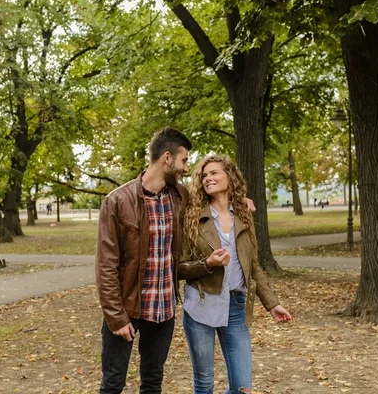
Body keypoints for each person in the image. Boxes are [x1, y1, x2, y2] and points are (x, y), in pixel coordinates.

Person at [178, 155, 292, 394]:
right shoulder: (192, 217)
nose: (208, 178)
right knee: (204, 383)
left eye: (214, 173)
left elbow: (253, 265)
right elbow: (179, 267)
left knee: (243, 388)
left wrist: (272, 304)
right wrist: (208, 263)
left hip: (236, 306)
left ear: (229, 176)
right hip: (201, 305)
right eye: (204, 175)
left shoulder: (243, 214)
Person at [95, 127, 192, 393]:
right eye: (184, 160)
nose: (186, 168)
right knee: (113, 383)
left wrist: (239, 199)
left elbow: (214, 201)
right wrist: (116, 318)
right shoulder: (117, 201)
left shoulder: (181, 197)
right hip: (127, 308)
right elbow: (106, 266)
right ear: (168, 158)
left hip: (163, 310)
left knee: (153, 381)